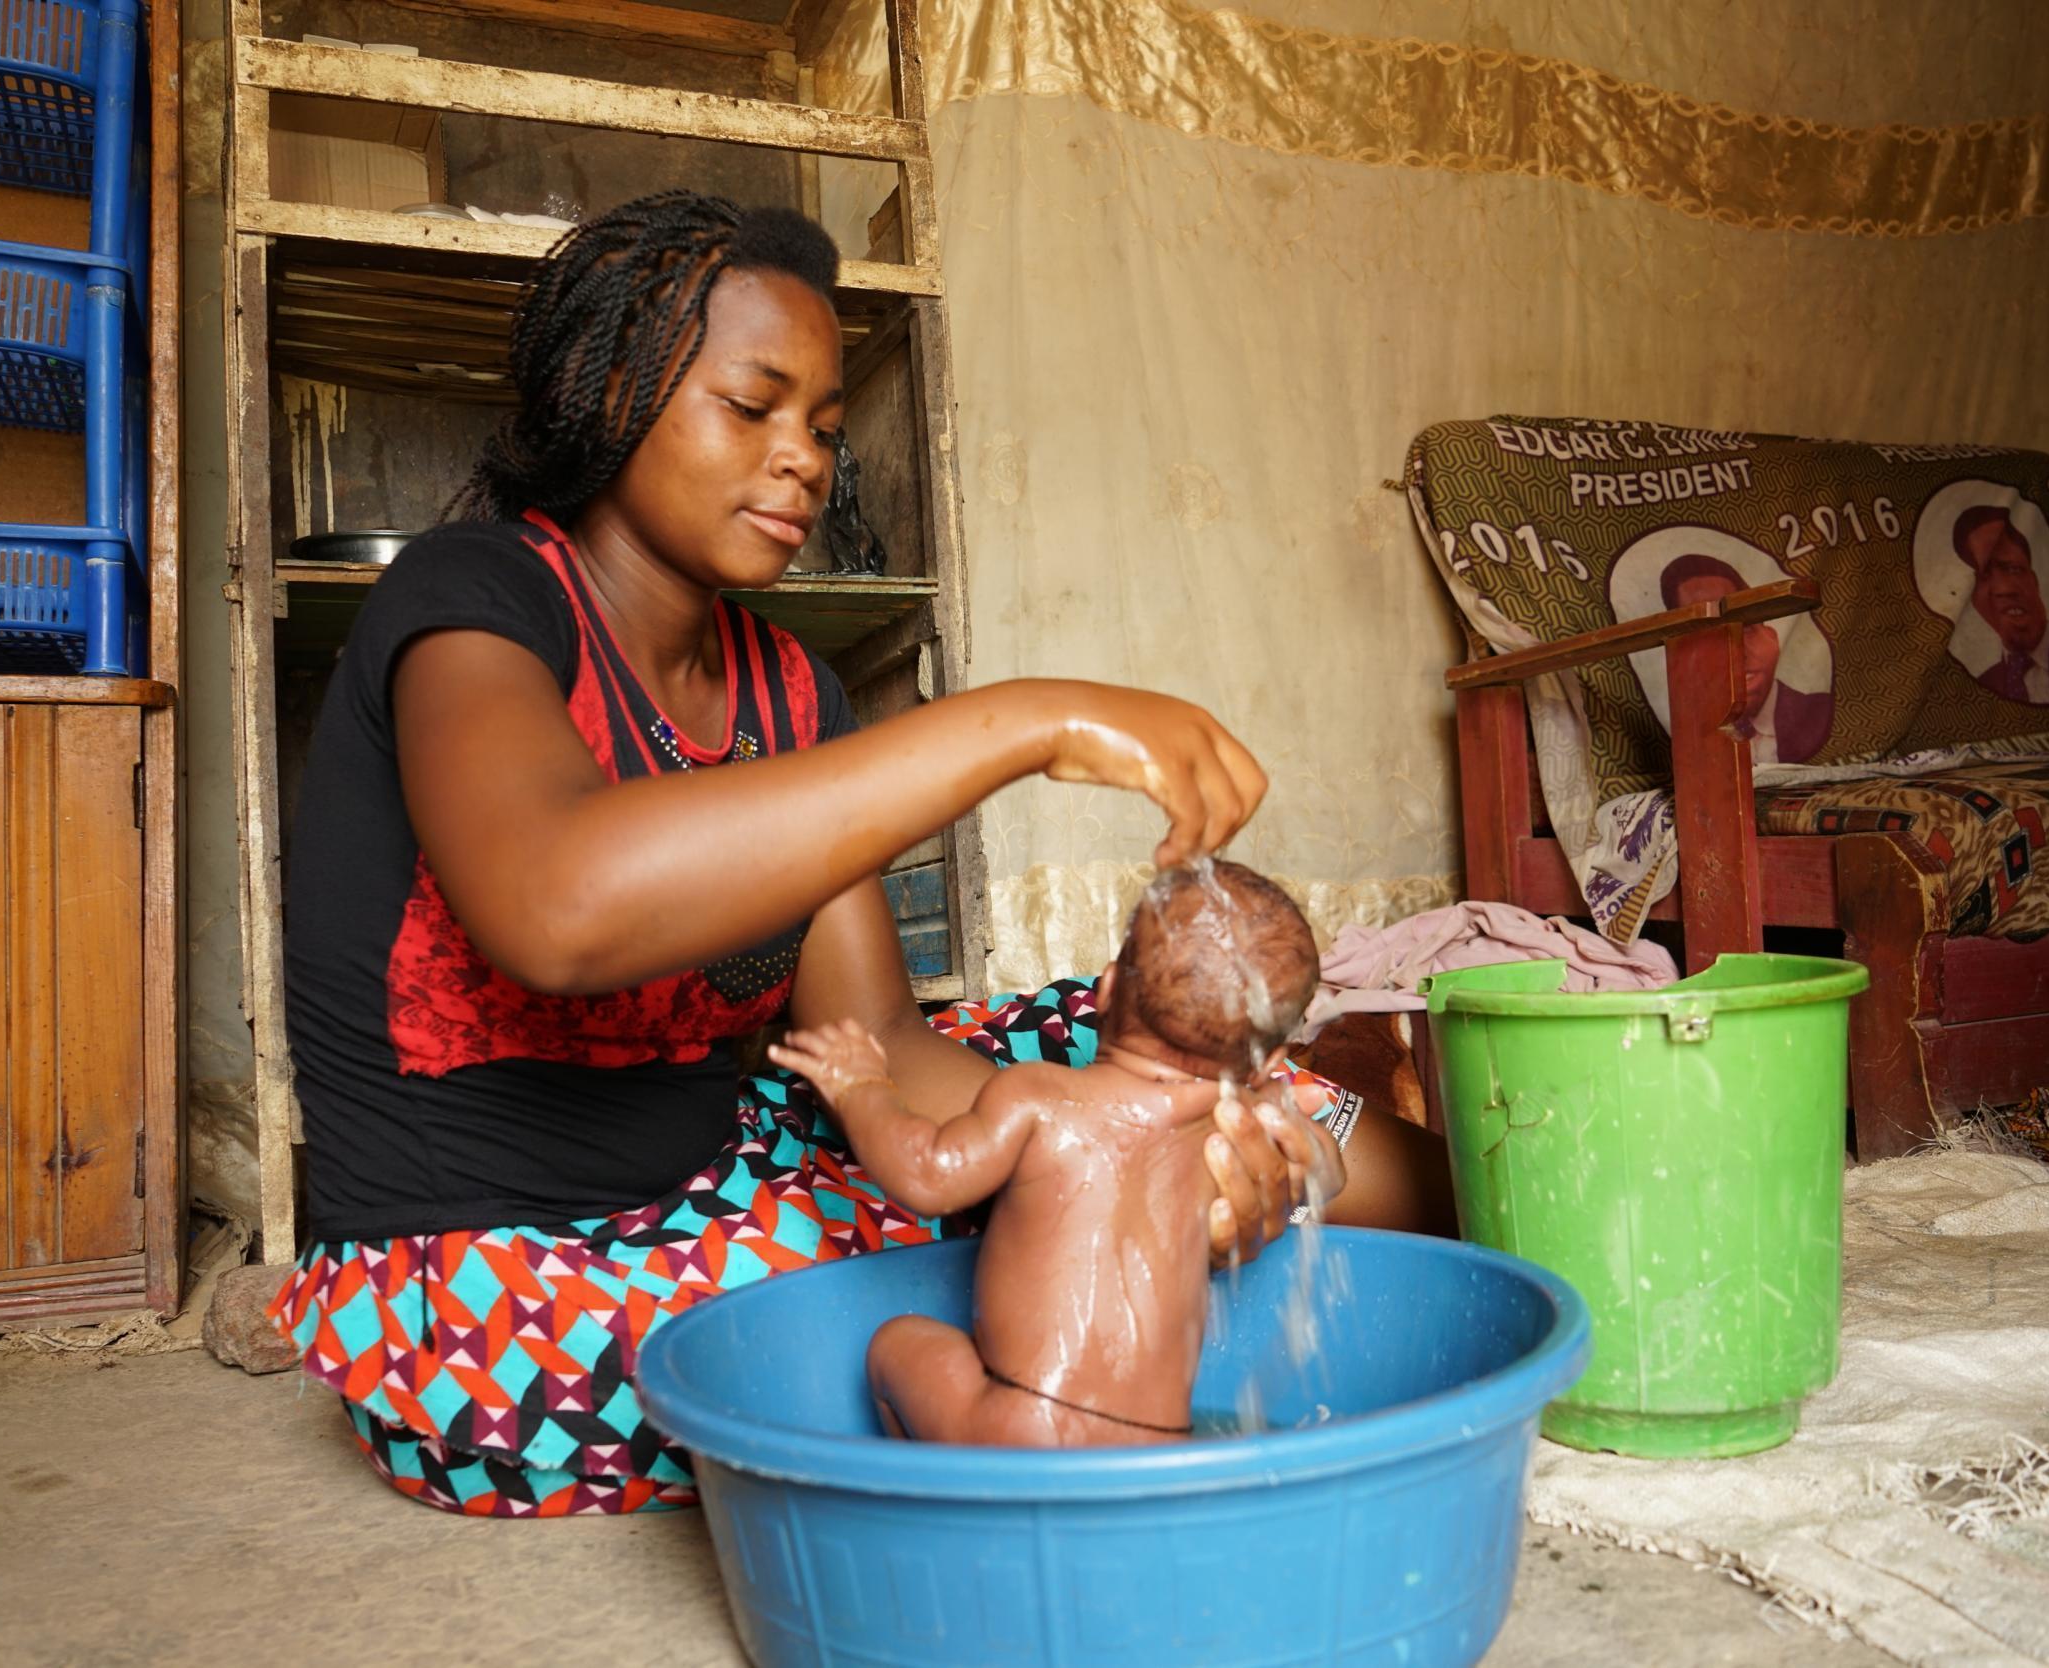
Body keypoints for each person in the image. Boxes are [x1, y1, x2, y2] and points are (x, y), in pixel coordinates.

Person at [264, 192, 1453, 1516]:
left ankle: (1349, 1158)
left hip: (726, 1168)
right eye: (752, 406)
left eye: (823, 427)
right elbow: (560, 908)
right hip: (496, 1269)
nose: (806, 461)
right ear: (608, 390)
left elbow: (879, 1039)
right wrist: (1024, 720)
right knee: (1017, 1238)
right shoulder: (473, 599)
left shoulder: (786, 690)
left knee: (1139, 1056)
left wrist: (1194, 1129)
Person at [770, 862, 1321, 1447]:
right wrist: (1302, 1151)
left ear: (1104, 990)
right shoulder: (1231, 1132)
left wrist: (861, 1089)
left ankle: (940, 1497)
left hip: (1019, 1430)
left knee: (897, 1343)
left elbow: (928, 1176)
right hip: (1158, 1447)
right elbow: (1324, 1168)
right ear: (1268, 1060)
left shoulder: (1037, 1096)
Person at [1656, 553, 1833, 762]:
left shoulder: (1825, 716)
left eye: (1746, 629)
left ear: (1772, 638)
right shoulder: (1682, 741)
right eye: (1707, 637)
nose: (1734, 651)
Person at [1951, 506, 2049, 705]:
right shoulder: (1979, 691)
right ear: (1974, 601)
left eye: (2013, 569)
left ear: (2035, 581)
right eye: (1984, 576)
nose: (2004, 589)